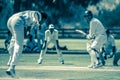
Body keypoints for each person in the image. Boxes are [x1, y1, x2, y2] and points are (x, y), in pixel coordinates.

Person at [6, 10, 48, 77]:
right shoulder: (38, 15)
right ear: (44, 18)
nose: (43, 23)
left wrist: (28, 32)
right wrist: (38, 22)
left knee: (14, 41)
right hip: (18, 21)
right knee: (19, 45)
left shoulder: (29, 16)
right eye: (44, 21)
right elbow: (36, 14)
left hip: (10, 21)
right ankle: (11, 68)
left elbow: (28, 25)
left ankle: (10, 60)